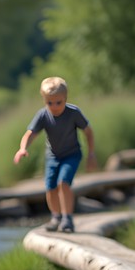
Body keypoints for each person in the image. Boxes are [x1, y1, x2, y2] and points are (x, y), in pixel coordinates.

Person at [13, 76, 96, 233]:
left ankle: (67, 219)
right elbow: (30, 133)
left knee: (63, 183)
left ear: (65, 98)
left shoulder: (73, 113)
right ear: (44, 101)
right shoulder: (43, 115)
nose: (54, 106)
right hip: (53, 156)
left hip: (72, 154)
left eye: (59, 102)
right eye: (49, 103)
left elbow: (88, 132)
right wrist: (22, 148)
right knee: (50, 187)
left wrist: (91, 154)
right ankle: (56, 217)